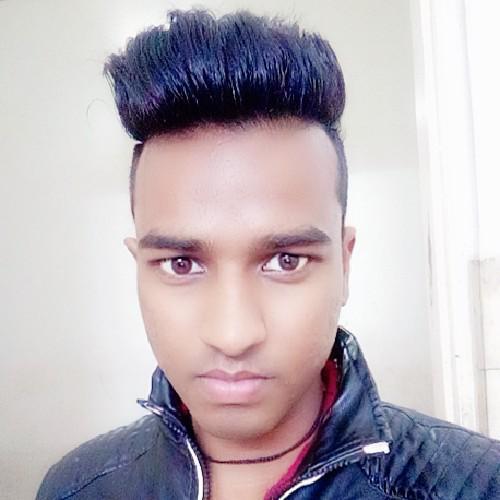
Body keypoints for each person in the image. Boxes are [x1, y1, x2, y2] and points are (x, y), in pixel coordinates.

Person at [36, 9, 500, 500]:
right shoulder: (77, 488)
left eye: (285, 260)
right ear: (138, 268)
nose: (233, 335)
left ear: (345, 265)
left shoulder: (478, 484)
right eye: (181, 264)